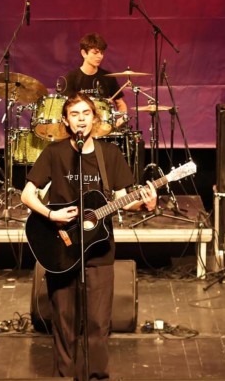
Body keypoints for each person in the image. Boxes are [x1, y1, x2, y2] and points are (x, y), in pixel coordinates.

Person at [21, 94, 156, 381]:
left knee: (97, 323)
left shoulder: (110, 155)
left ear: (95, 118)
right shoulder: (54, 153)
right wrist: (50, 214)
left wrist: (146, 203)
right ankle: (65, 376)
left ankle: (97, 376)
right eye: (74, 114)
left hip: (99, 250)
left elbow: (124, 199)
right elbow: (27, 194)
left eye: (86, 113)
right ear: (65, 120)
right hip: (62, 247)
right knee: (64, 323)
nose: (81, 119)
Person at [63, 33, 128, 130]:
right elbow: (65, 108)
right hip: (80, 129)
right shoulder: (71, 78)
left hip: (104, 128)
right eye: (95, 53)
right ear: (84, 53)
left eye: (102, 53)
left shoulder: (108, 77)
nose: (100, 56)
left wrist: (122, 118)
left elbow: (120, 103)